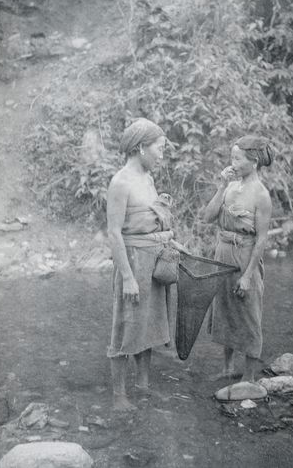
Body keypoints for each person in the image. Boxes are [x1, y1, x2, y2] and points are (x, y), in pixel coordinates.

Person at [106, 118, 182, 411]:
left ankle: (143, 386)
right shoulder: (120, 183)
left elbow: (151, 224)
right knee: (126, 324)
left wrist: (170, 242)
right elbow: (114, 233)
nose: (161, 155)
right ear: (140, 148)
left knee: (149, 324)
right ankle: (119, 396)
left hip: (154, 262)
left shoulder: (148, 179)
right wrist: (127, 277)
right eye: (159, 149)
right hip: (133, 263)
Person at [204, 135, 273, 382]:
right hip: (222, 254)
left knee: (248, 312)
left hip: (245, 257)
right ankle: (227, 368)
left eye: (237, 158)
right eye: (231, 157)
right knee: (225, 309)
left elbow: (262, 239)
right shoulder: (231, 187)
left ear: (253, 162)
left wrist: (247, 276)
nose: (232, 163)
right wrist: (221, 186)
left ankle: (249, 378)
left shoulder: (261, 195)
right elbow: (207, 217)